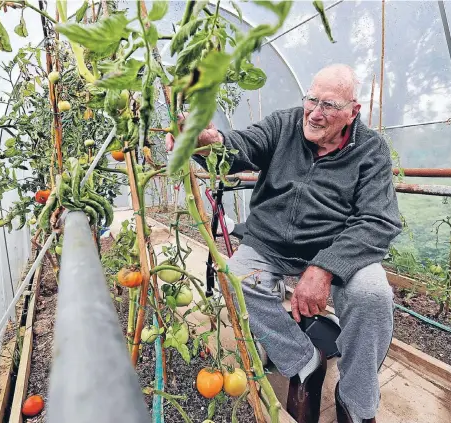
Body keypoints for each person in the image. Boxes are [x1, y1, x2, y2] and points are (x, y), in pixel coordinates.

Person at [166, 64, 402, 423]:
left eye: (329, 105)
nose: (315, 113)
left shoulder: (370, 150)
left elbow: (378, 220)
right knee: (235, 278)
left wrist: (325, 267)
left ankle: (355, 399)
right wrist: (210, 143)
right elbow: (244, 146)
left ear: (353, 111)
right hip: (271, 242)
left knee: (372, 295)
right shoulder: (285, 124)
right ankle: (304, 362)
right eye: (311, 100)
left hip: (336, 246)